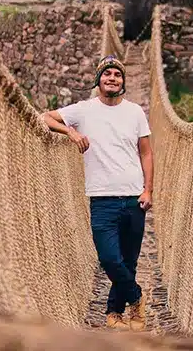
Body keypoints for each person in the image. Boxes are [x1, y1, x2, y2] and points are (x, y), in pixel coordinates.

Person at [42, 55, 152, 331]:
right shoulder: (83, 110)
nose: (112, 78)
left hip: (133, 197)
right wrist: (70, 132)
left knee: (129, 260)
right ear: (99, 80)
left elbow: (146, 153)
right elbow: (45, 117)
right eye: (107, 74)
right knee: (109, 259)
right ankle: (137, 297)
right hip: (102, 199)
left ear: (123, 81)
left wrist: (148, 189)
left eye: (117, 74)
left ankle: (116, 314)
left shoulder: (135, 112)